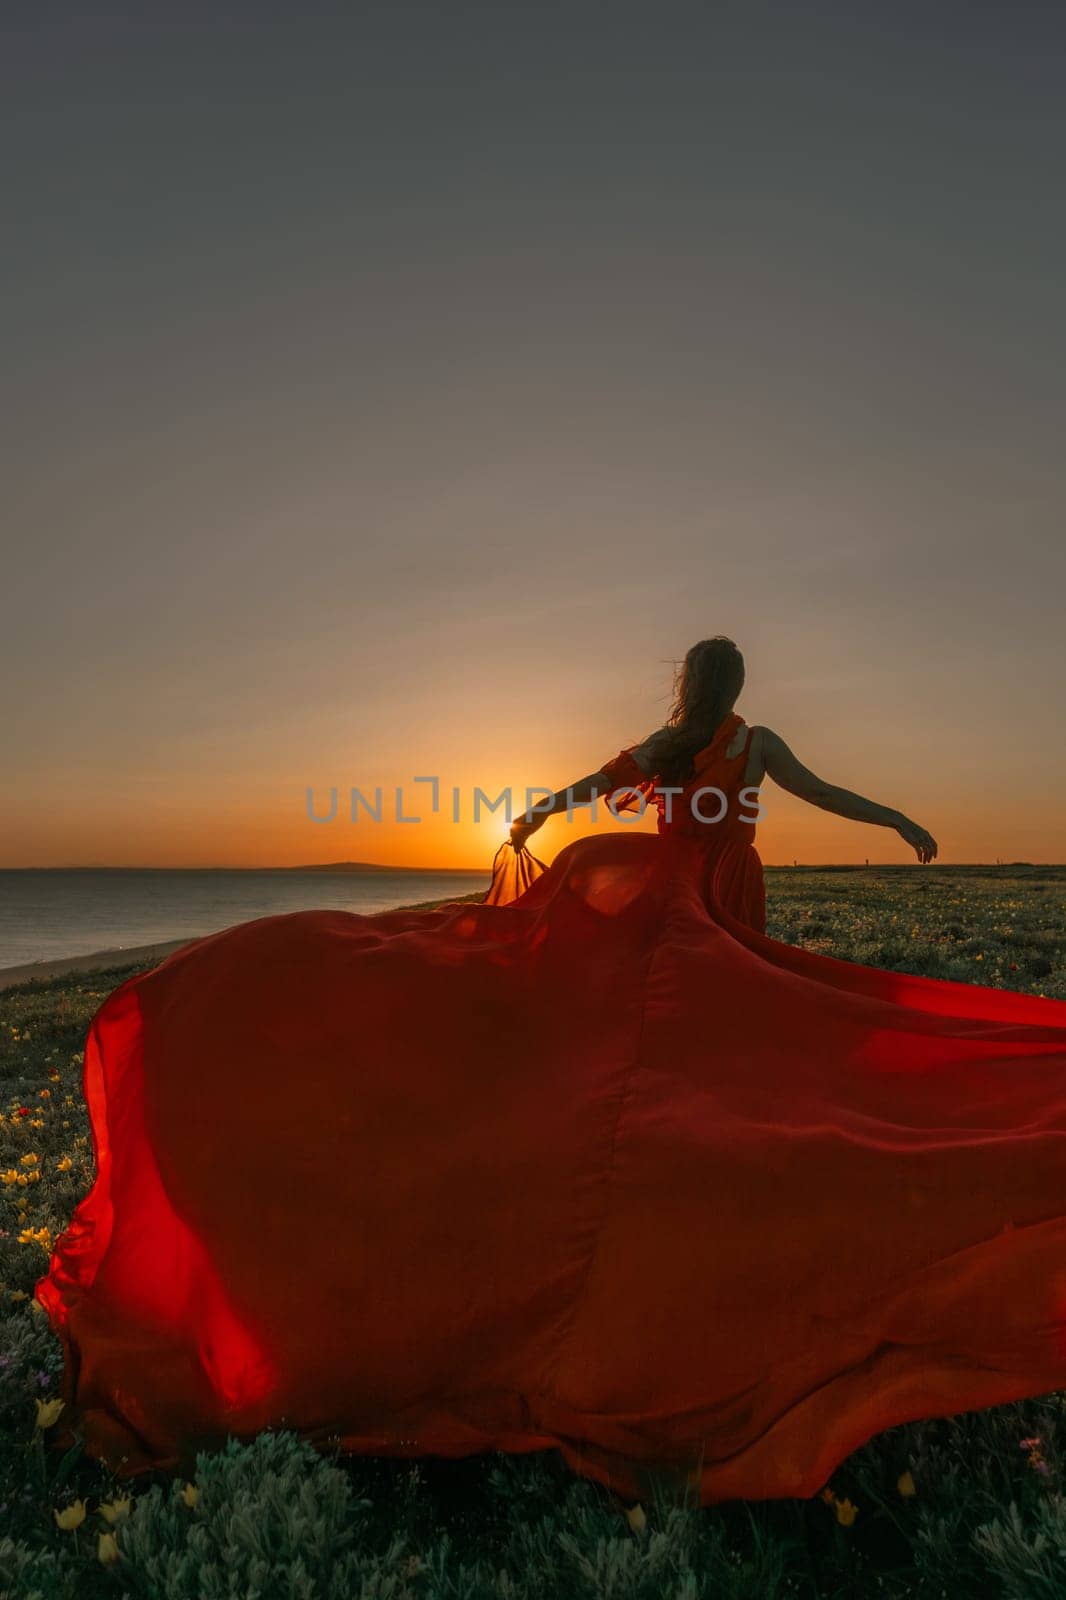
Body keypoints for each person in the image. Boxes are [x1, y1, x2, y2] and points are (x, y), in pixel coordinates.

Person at [37, 637, 1066, 1509]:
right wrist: (894, 820)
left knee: (657, 1062)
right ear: (737, 687)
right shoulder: (754, 744)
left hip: (664, 902)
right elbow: (817, 790)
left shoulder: (668, 746)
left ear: (686, 688)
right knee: (718, 1059)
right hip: (707, 906)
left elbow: (586, 787)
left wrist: (533, 816)